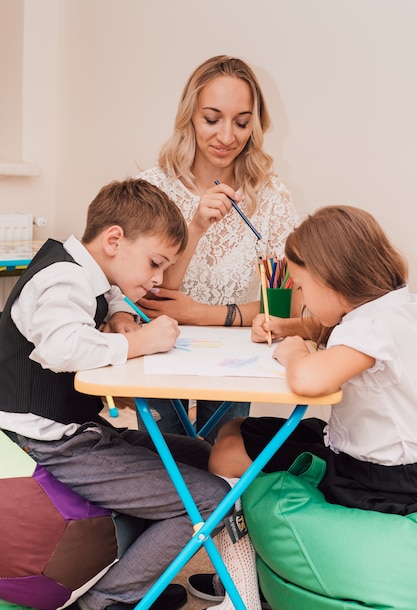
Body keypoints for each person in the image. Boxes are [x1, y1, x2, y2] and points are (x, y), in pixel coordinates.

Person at [0, 178, 230, 610]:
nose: (158, 279)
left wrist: (124, 317)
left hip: (79, 428)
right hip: (54, 441)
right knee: (210, 499)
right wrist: (138, 342)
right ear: (114, 240)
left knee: (202, 456)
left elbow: (112, 295)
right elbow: (61, 347)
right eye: (155, 264)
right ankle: (109, 600)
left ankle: (138, 578)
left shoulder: (84, 269)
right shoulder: (62, 279)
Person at [189, 204, 417, 609]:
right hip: (385, 465)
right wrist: (288, 326)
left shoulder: (372, 325)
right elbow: (324, 326)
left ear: (330, 279)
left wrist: (292, 352)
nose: (303, 300)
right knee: (236, 432)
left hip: (379, 482)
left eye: (302, 286)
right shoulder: (394, 307)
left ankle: (239, 591)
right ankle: (242, 584)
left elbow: (309, 379)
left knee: (227, 452)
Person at [135, 54, 301, 441]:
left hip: (235, 359)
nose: (227, 137)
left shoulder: (271, 196)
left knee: (220, 464)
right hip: (157, 349)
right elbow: (152, 294)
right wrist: (193, 227)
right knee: (164, 465)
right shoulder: (153, 188)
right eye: (212, 119)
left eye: (242, 122)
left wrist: (205, 314)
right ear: (189, 117)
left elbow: (288, 306)